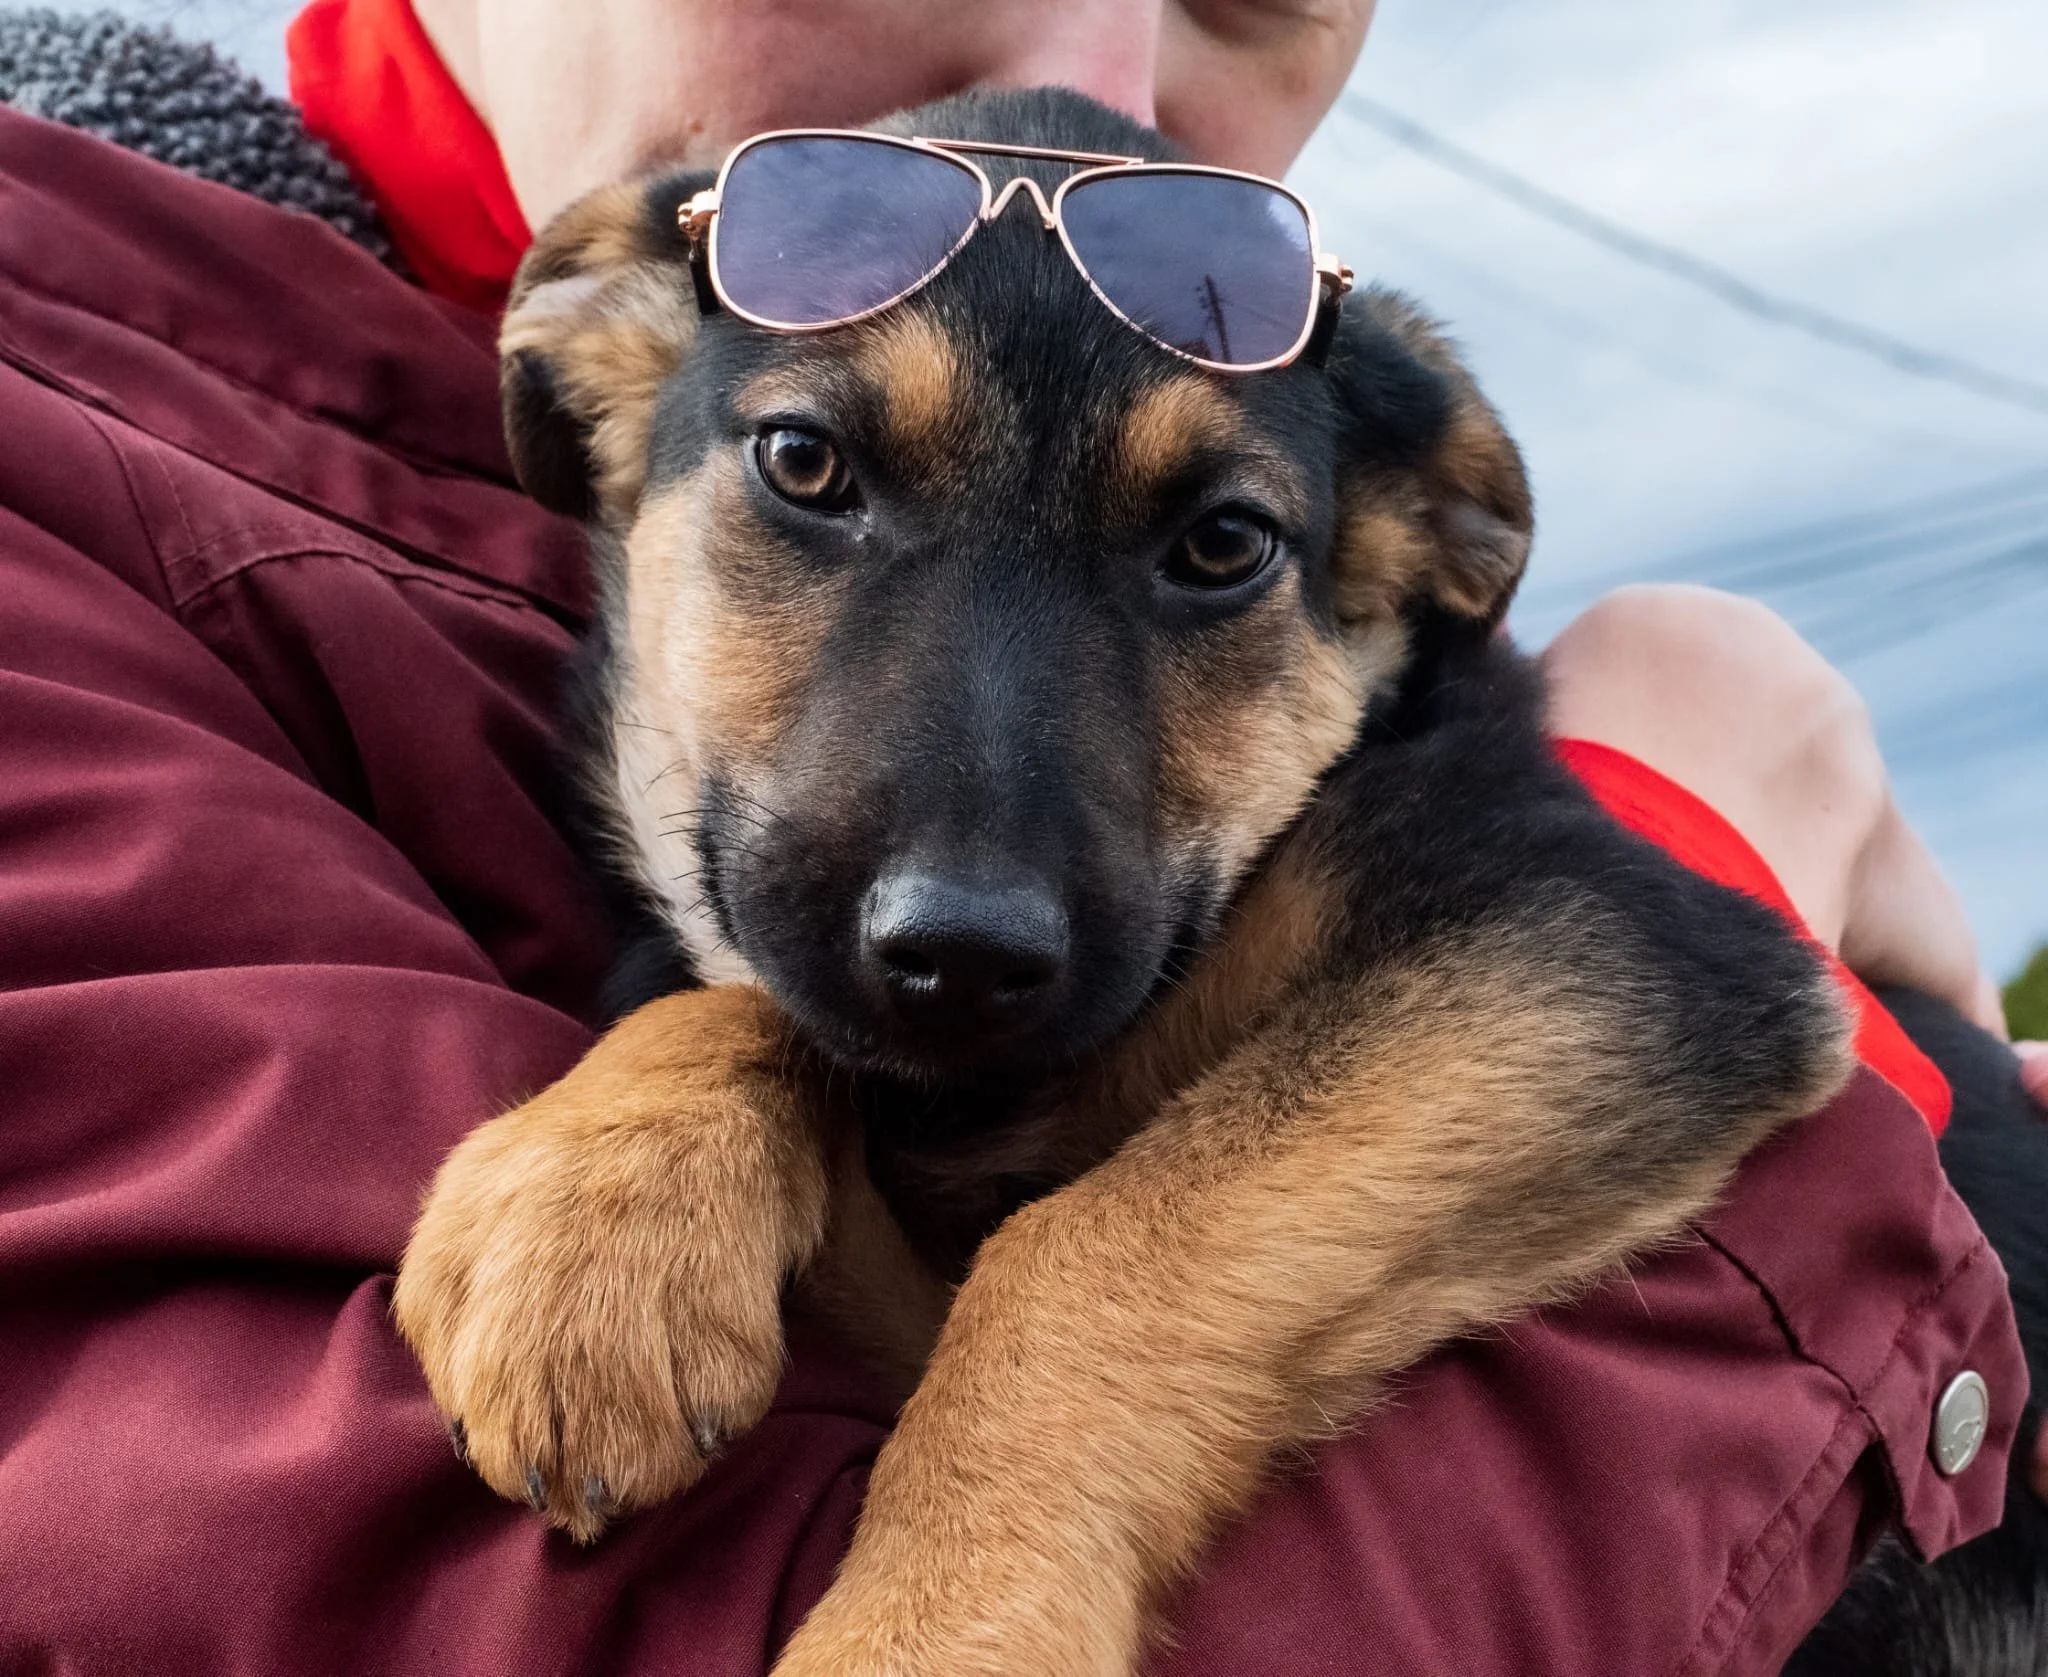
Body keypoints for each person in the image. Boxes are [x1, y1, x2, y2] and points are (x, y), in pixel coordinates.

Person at [0, 2, 2033, 1673]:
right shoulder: (80, 480)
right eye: (804, 467)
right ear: (592, 380)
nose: (1112, 95)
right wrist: (1696, 813)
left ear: (1424, 559)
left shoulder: (1315, 537)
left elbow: (1633, 1006)